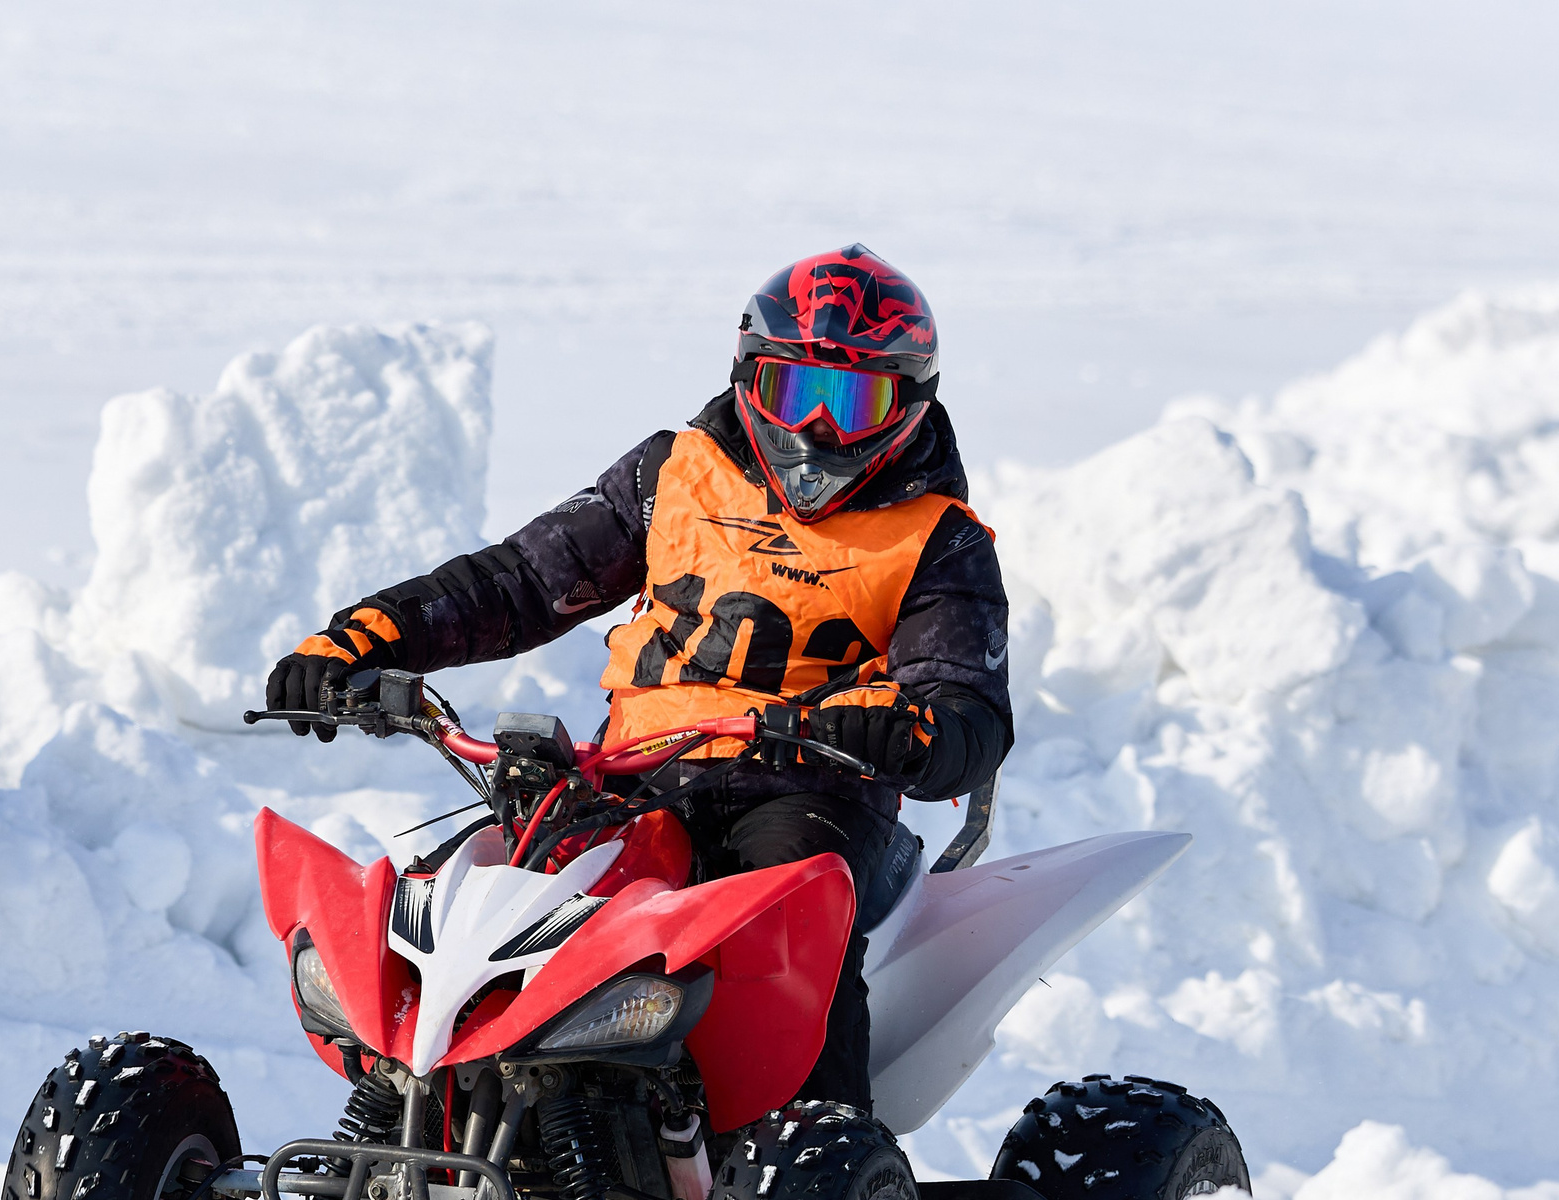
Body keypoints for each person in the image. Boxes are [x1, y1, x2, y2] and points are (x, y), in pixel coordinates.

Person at [265, 244, 1011, 1113]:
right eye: (794, 391)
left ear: (911, 407)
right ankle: (411, 1120)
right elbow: (522, 580)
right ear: (746, 377)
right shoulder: (673, 473)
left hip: (805, 786)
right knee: (471, 897)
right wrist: (372, 634)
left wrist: (902, 728)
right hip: (631, 773)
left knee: (792, 911)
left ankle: (827, 1157)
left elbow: (965, 703)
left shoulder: (941, 541)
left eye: (853, 404)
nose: (816, 431)